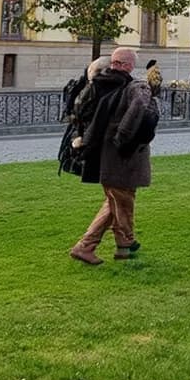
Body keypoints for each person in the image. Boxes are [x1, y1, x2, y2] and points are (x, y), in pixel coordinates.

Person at [70, 47, 155, 265]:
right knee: (123, 200)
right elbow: (138, 106)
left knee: (114, 201)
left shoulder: (98, 83)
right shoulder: (133, 86)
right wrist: (123, 137)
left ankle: (94, 247)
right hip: (124, 155)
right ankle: (122, 243)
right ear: (129, 65)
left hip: (101, 155)